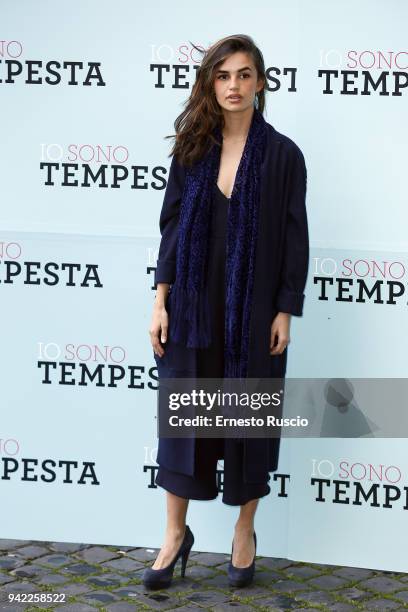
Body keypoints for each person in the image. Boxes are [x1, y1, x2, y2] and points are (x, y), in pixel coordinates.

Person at [145, 34, 309, 589]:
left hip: (255, 308)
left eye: (243, 75)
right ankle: (174, 535)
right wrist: (160, 299)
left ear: (260, 82)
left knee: (247, 419)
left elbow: (294, 239)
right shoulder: (191, 148)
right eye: (222, 76)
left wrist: (284, 309)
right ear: (209, 84)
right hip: (191, 305)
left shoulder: (284, 155)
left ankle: (244, 532)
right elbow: (170, 227)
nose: (233, 86)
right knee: (186, 415)